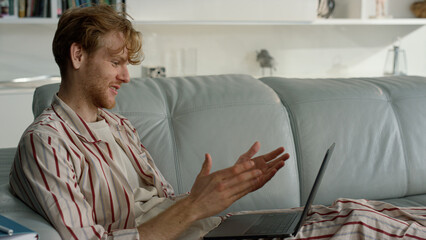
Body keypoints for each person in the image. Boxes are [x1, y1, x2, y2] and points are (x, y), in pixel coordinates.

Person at [9, 4, 290, 240]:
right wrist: (193, 206)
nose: (126, 77)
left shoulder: (120, 126)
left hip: (208, 229)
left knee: (323, 217)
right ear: (78, 55)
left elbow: (164, 206)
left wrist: (224, 188)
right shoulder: (47, 143)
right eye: (116, 62)